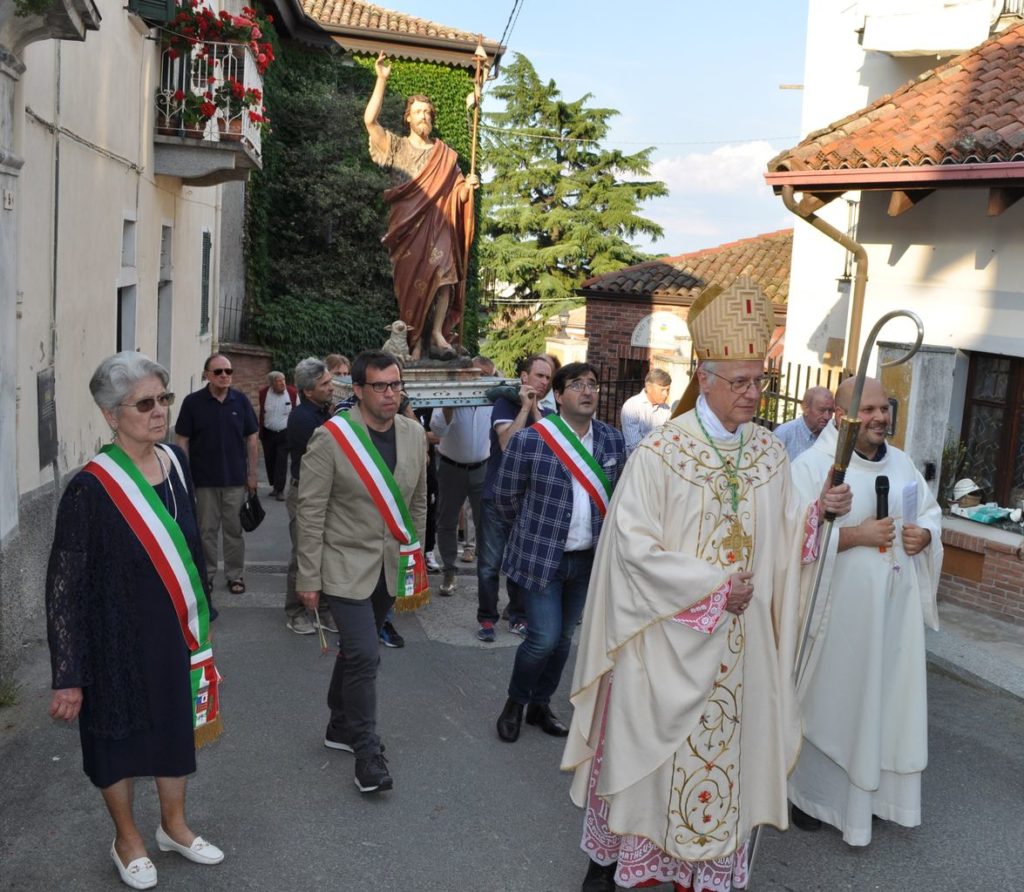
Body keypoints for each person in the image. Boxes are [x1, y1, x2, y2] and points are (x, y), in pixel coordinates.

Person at [561, 281, 852, 892]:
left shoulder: (769, 456)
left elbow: (780, 540)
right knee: (648, 788)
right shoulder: (661, 454)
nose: (754, 394)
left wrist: (814, 516)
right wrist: (714, 589)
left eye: (761, 381)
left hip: (737, 659)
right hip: (661, 650)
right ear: (705, 376)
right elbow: (632, 554)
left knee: (718, 782)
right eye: (741, 382)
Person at [47, 352, 224, 890]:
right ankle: (128, 839)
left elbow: (190, 547)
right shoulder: (90, 488)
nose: (158, 411)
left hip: (173, 631)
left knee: (175, 731)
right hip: (113, 639)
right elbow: (64, 585)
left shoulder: (176, 462)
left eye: (163, 399)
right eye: (144, 403)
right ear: (110, 414)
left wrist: (204, 616)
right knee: (116, 741)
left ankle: (174, 827)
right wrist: (69, 672)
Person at [787, 376, 943, 846]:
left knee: (884, 701)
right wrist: (856, 536)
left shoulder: (902, 463)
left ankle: (873, 801)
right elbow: (790, 537)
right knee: (834, 702)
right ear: (842, 414)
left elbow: (928, 511)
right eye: (870, 409)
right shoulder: (814, 466)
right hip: (839, 618)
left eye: (884, 409)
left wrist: (925, 536)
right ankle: (810, 796)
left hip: (893, 613)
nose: (881, 418)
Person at [296, 350, 428, 794]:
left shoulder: (414, 434)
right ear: (357, 390)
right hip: (342, 567)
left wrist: (415, 559)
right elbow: (310, 512)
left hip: (389, 568)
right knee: (367, 656)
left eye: (396, 385)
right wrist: (308, 579)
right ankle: (366, 752)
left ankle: (338, 723)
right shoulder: (332, 438)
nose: (391, 394)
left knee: (356, 653)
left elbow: (417, 504)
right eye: (380, 386)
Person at [493, 362, 626, 743]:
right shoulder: (532, 440)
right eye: (578, 385)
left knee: (565, 639)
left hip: (587, 560)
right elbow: (505, 498)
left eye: (593, 385)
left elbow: (620, 498)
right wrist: (534, 532)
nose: (588, 391)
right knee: (543, 639)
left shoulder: (611, 440)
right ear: (559, 395)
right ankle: (514, 703)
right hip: (542, 558)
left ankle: (540, 704)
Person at [364, 51, 479, 360]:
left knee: (446, 273)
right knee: (410, 289)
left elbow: (458, 197)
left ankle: (439, 334)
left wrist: (467, 187)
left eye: (427, 113)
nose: (424, 117)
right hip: (406, 228)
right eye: (418, 112)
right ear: (408, 117)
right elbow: (369, 120)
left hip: (439, 223)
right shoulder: (397, 146)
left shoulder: (446, 156)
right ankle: (415, 342)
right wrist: (381, 80)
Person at [476, 354, 554, 642]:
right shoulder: (503, 404)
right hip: (496, 496)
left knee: (522, 563)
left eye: (548, 378)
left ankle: (518, 616)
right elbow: (508, 444)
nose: (544, 382)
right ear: (524, 377)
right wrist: (524, 408)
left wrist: (535, 410)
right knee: (489, 564)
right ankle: (486, 618)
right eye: (539, 376)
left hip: (527, 500)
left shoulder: (548, 415)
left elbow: (551, 447)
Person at [174, 353, 258, 595]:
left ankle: (235, 575)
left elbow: (252, 438)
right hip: (203, 480)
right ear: (206, 375)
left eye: (228, 371)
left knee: (234, 530)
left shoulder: (240, 401)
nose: (224, 376)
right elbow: (183, 439)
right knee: (206, 531)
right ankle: (207, 575)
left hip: (234, 480)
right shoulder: (192, 403)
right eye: (219, 371)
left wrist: (252, 474)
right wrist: (184, 473)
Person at [429, 355, 494, 597]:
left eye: (487, 376)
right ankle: (449, 571)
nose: (482, 381)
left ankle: (487, 574)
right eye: (479, 375)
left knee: (485, 524)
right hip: (451, 467)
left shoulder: (491, 397)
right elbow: (437, 429)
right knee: (446, 523)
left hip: (482, 468)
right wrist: (451, 401)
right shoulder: (452, 392)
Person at [283, 358, 338, 636]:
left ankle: (321, 609)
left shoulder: (320, 412)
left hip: (319, 492)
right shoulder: (304, 419)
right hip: (304, 492)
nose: (331, 387)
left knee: (324, 552)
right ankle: (294, 612)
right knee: (303, 553)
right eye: (325, 384)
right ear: (307, 391)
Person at [258, 371, 297, 501]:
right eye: (279, 381)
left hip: (285, 433)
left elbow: (297, 411)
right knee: (270, 460)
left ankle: (280, 490)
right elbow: (262, 412)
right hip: (268, 433)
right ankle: (274, 486)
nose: (282, 383)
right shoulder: (264, 393)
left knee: (281, 461)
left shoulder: (292, 393)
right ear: (271, 383)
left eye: (284, 380)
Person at [773, 385, 835, 461]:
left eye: (831, 411)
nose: (827, 417)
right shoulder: (784, 435)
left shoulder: (832, 437)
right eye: (821, 410)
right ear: (805, 408)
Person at [619, 368, 672, 455]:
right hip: (636, 462)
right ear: (648, 387)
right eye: (662, 390)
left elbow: (668, 438)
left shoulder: (666, 409)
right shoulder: (632, 407)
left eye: (668, 390)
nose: (666, 394)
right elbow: (635, 446)